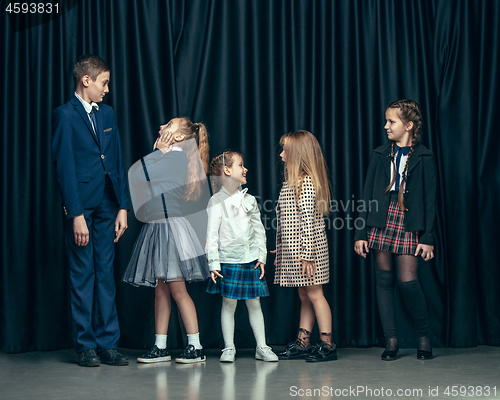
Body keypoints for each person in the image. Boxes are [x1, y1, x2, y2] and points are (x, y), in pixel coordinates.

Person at [51, 54, 130, 367]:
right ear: (86, 80)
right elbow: (64, 167)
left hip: (109, 204)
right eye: (104, 82)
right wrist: (76, 213)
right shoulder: (65, 115)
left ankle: (107, 344)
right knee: (82, 274)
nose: (107, 89)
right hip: (82, 207)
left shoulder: (107, 113)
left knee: (105, 275)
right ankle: (85, 346)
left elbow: (117, 161)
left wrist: (123, 206)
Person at [123, 117, 211, 364]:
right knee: (161, 289)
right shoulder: (170, 156)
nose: (162, 127)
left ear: (180, 137)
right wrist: (159, 152)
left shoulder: (174, 157)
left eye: (169, 125)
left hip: (169, 228)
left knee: (176, 289)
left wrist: (157, 151)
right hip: (158, 226)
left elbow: (140, 174)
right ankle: (160, 346)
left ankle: (196, 346)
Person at [354, 99, 437, 361]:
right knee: (383, 280)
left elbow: (430, 201)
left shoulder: (424, 157)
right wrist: (360, 233)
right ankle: (391, 342)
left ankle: (424, 337)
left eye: (392, 121)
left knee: (408, 282)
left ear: (409, 125)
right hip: (381, 217)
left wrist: (427, 238)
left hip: (409, 220)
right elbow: (367, 194)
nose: (386, 126)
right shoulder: (380, 154)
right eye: (387, 121)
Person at [205, 151, 278, 363]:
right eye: (240, 165)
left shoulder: (250, 200)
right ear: (227, 171)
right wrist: (213, 263)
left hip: (250, 259)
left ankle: (262, 346)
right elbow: (211, 235)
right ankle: (229, 347)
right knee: (229, 303)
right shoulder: (216, 200)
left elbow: (259, 230)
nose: (245, 169)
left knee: (254, 303)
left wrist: (261, 257)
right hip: (228, 260)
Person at [273, 130, 337, 362]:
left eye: (285, 151)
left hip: (309, 251)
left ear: (297, 155)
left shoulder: (306, 183)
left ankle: (328, 344)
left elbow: (307, 221)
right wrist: (281, 250)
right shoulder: (291, 183)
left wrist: (308, 254)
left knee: (315, 294)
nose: (281, 155)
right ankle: (303, 342)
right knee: (305, 294)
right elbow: (286, 221)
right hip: (296, 252)